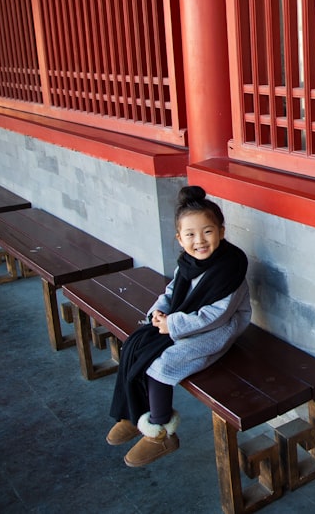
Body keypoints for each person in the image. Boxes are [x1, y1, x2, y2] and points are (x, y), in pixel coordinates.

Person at [106, 185, 251, 467]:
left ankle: (161, 432)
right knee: (136, 346)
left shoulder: (229, 269)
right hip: (183, 322)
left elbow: (216, 316)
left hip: (216, 332)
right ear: (180, 239)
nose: (200, 240)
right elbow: (172, 291)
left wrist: (171, 325)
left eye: (208, 231)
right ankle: (135, 414)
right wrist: (159, 311)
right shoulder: (187, 264)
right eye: (190, 234)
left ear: (222, 231)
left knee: (163, 362)